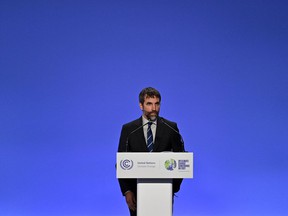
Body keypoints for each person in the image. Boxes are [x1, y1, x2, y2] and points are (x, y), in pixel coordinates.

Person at [117, 87, 185, 216]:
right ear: (141, 105)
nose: (154, 108)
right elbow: (122, 163)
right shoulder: (129, 129)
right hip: (136, 192)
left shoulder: (171, 127)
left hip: (164, 191)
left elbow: (180, 159)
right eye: (149, 103)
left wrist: (173, 187)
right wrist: (127, 191)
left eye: (157, 103)